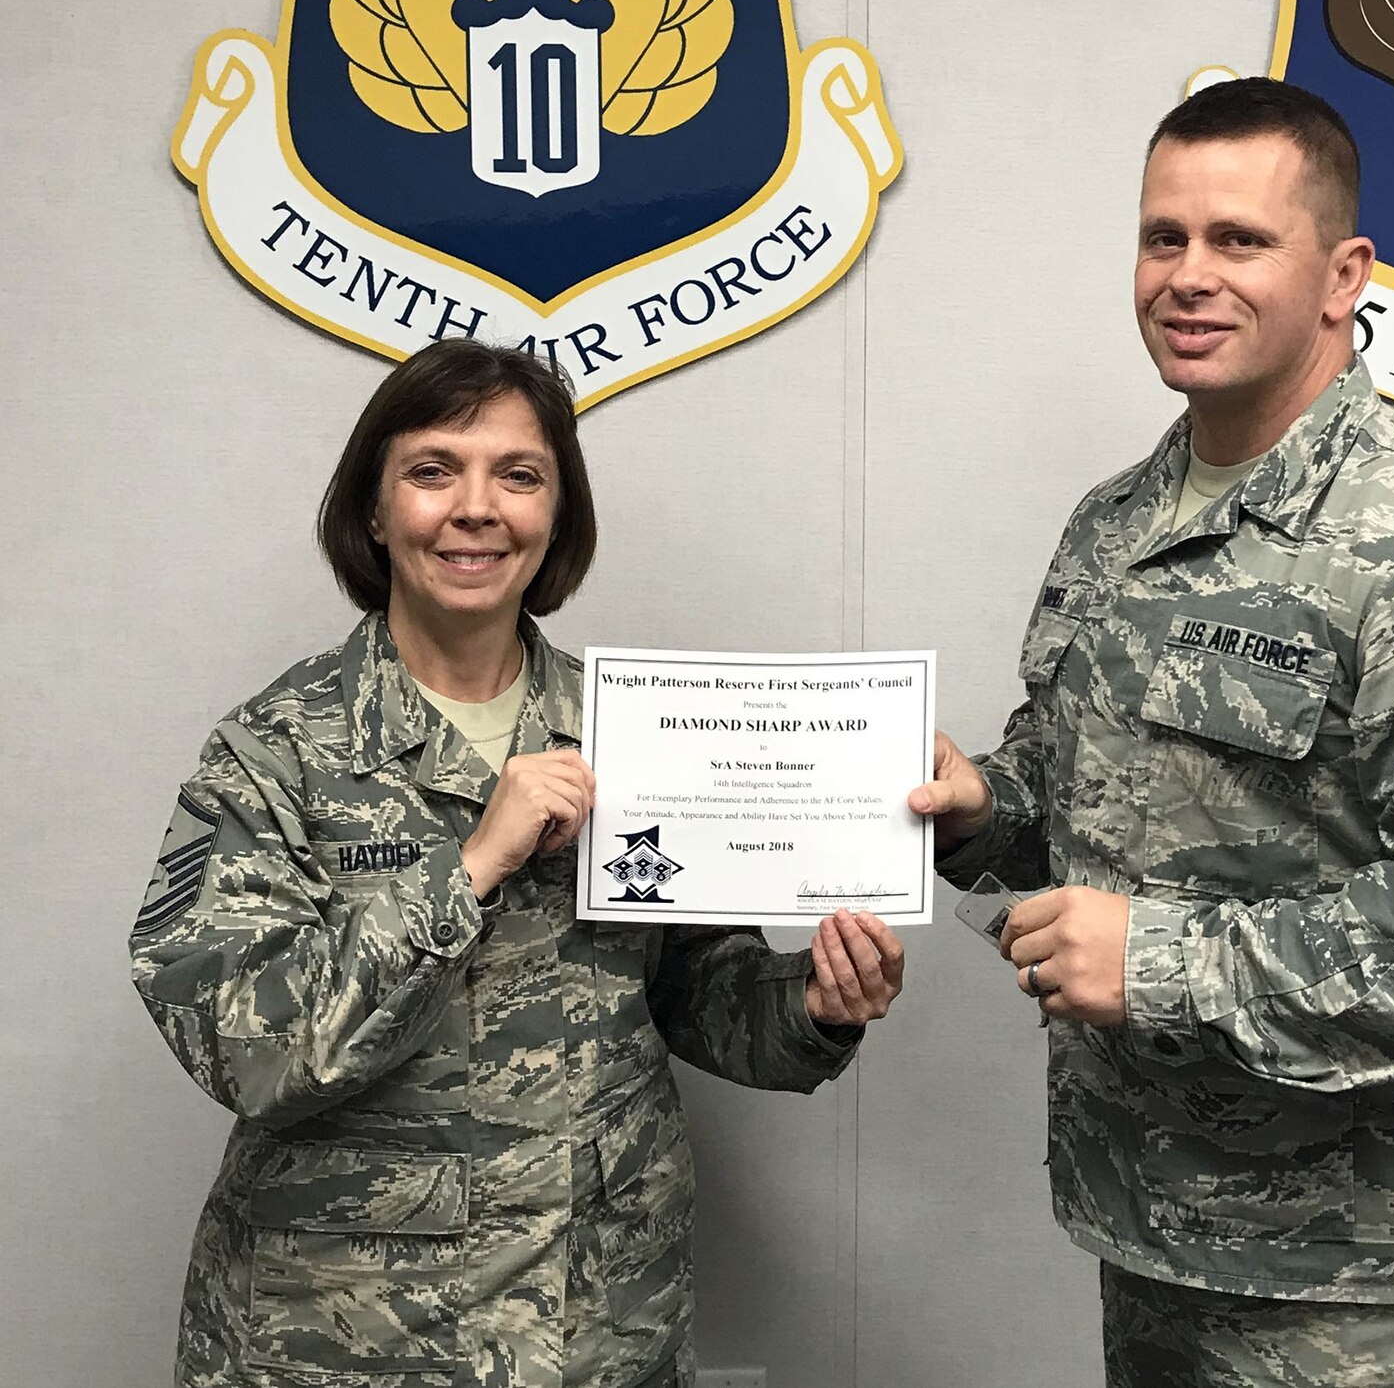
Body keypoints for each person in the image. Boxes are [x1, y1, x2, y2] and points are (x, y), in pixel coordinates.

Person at [911, 78, 1394, 1387]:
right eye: (1161, 236)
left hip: (1374, 1285)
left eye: (1239, 240)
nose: (1187, 275)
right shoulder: (1118, 524)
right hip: (1161, 1234)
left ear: (1343, 273)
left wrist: (1160, 961)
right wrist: (985, 811)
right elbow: (1086, 798)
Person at [130, 339, 904, 1388]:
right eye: (433, 469)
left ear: (557, 515)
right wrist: (472, 862)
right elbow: (250, 1052)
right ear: (372, 506)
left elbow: (694, 995)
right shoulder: (276, 751)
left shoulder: (634, 730)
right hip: (344, 1341)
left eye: (519, 474)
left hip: (597, 1324)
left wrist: (814, 1002)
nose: (476, 507)